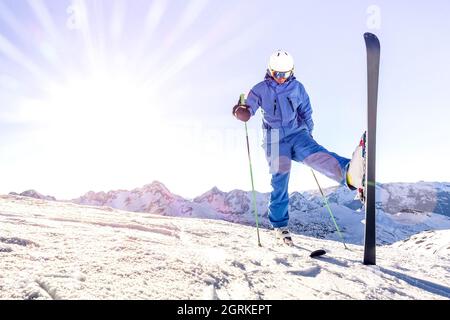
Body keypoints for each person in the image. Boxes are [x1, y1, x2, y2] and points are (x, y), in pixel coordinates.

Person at [233, 50, 365, 246]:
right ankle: (280, 226)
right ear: (270, 71)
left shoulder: (297, 88)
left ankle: (351, 174)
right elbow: (248, 106)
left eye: (285, 74)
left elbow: (306, 111)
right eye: (277, 74)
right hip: (275, 139)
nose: (281, 78)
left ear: (291, 71)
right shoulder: (260, 89)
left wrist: (308, 132)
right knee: (280, 175)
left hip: (297, 133)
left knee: (316, 156)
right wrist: (242, 111)